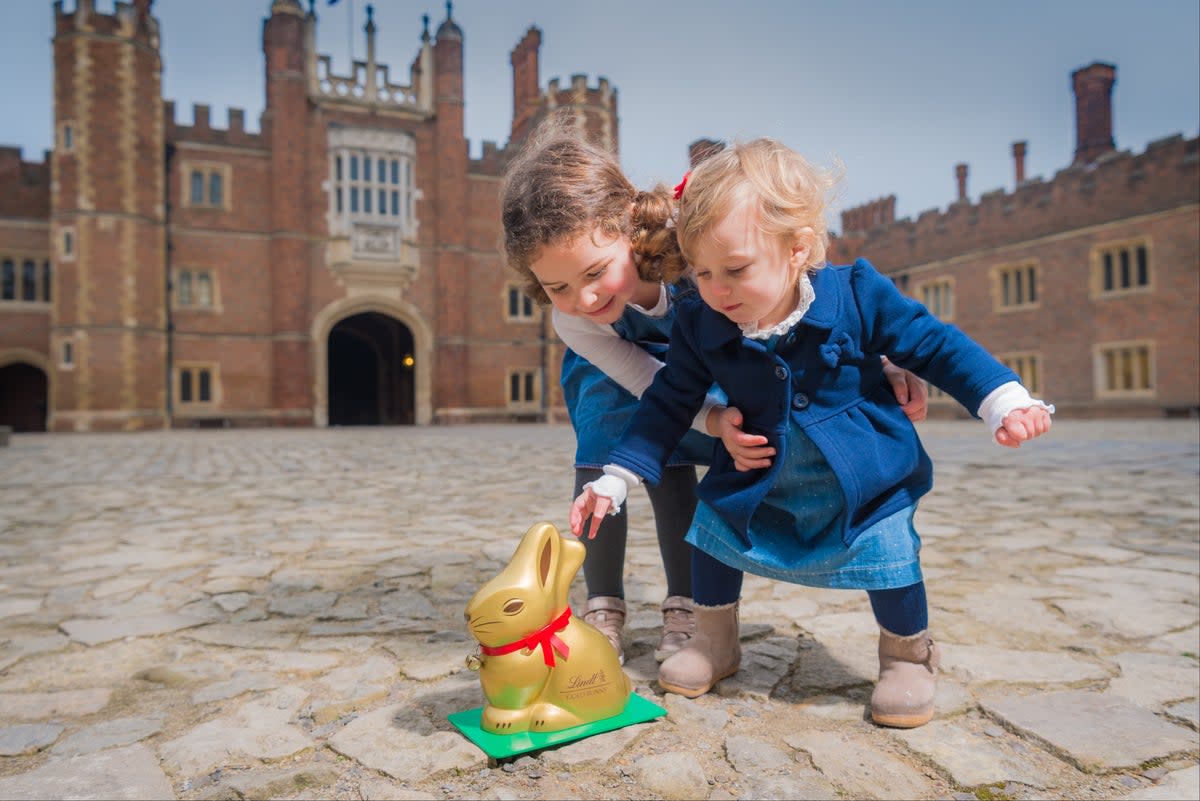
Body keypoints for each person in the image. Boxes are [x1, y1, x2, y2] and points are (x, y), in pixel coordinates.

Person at [570, 137, 1053, 728]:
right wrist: (619, 475)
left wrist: (1002, 398)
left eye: (736, 270)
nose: (717, 290)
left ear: (797, 249)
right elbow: (670, 401)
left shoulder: (854, 292)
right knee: (712, 532)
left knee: (891, 553)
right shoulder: (702, 319)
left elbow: (933, 343)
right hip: (758, 475)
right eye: (702, 273)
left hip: (860, 474)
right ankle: (714, 638)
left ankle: (908, 655)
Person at [500, 121, 928, 666]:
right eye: (556, 288)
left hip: (704, 361)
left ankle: (686, 605)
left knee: (677, 465)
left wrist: (880, 363)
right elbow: (650, 385)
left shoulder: (699, 247)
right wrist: (708, 418)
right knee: (607, 457)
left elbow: (802, 297)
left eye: (595, 272)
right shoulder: (579, 324)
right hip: (623, 375)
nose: (581, 298)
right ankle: (603, 604)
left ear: (630, 227)